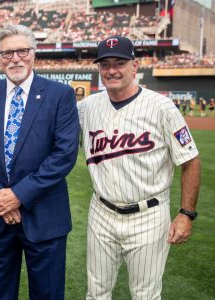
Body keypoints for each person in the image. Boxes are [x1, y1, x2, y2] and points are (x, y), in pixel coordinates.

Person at [0, 24, 80, 300]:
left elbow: (64, 155)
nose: (14, 58)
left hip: (45, 216)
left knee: (48, 294)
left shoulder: (59, 95)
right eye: (6, 53)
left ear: (33, 54)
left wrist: (18, 195)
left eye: (22, 51)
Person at [78, 36, 201, 300]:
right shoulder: (86, 107)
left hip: (149, 214)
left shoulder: (162, 108)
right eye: (105, 64)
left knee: (146, 295)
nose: (112, 70)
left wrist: (186, 214)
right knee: (96, 293)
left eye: (119, 63)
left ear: (135, 66)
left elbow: (190, 160)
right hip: (101, 211)